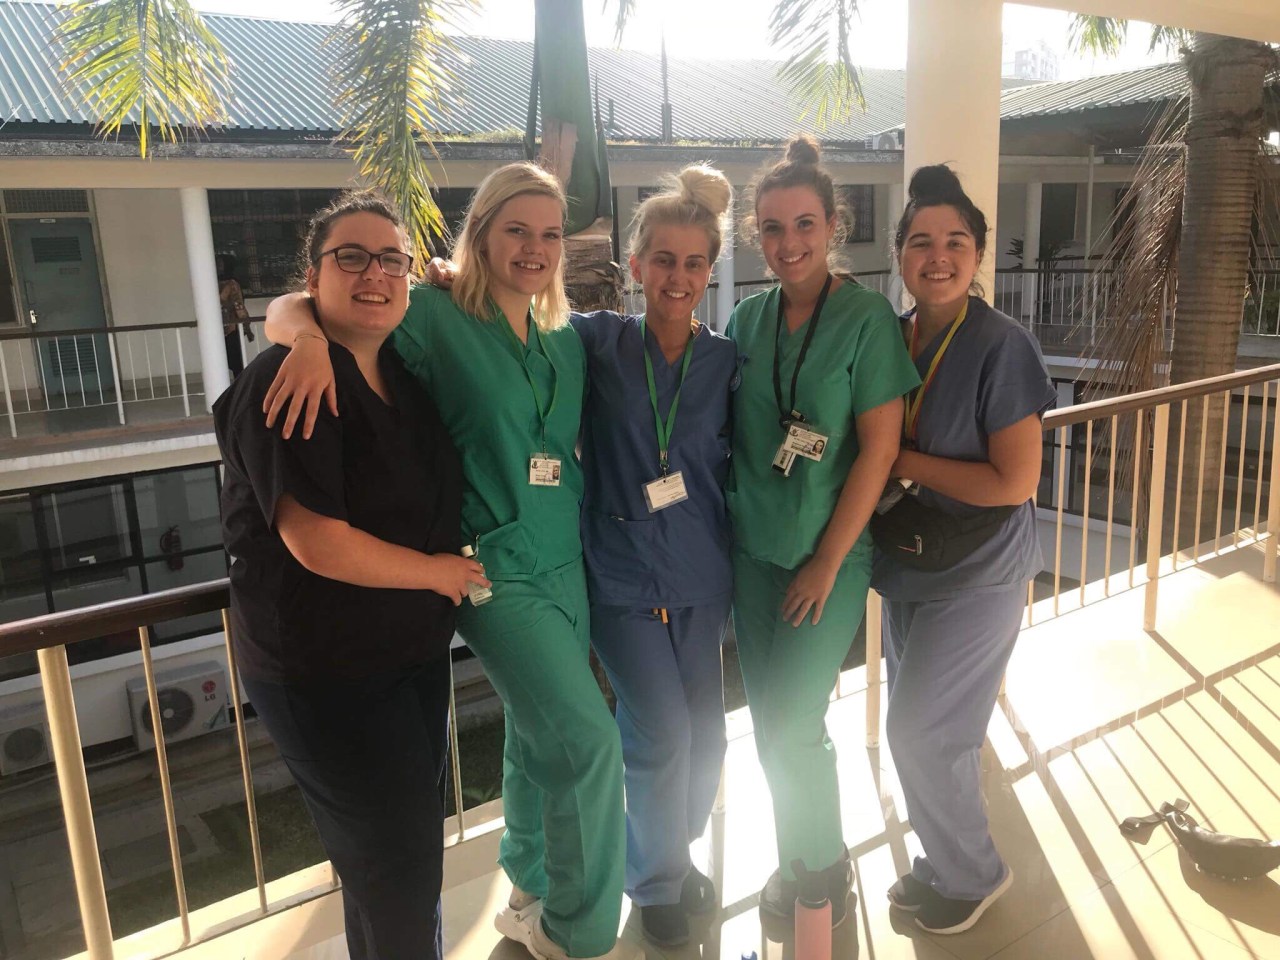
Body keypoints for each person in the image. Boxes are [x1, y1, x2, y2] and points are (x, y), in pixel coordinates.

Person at [259, 163, 632, 960]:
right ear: (482, 234)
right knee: (591, 743)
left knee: (535, 733)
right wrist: (305, 339)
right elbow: (307, 304)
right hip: (491, 570)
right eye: (516, 230)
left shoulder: (562, 337)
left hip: (564, 559)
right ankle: (580, 932)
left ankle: (528, 885)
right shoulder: (432, 314)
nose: (534, 248)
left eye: (549, 234)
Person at [213, 190, 488, 960]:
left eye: (392, 260)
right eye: (352, 257)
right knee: (400, 877)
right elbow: (316, 541)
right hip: (325, 672)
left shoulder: (401, 370)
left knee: (391, 871)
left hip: (408, 657)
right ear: (314, 276)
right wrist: (436, 572)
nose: (375, 274)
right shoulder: (289, 378)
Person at [725, 135, 919, 926]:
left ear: (833, 226)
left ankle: (824, 872)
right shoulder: (746, 318)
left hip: (827, 557)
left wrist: (827, 562)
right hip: (752, 553)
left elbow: (879, 449)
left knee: (796, 721)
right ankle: (796, 860)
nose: (789, 243)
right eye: (772, 228)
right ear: (756, 235)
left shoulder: (867, 319)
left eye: (804, 224)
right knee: (770, 725)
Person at [872, 164, 1056, 935]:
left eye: (954, 241)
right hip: (908, 562)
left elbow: (1015, 480)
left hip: (979, 574)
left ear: (977, 253)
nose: (937, 256)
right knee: (926, 731)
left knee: (921, 731)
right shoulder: (891, 335)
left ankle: (975, 874)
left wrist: (901, 461)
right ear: (899, 253)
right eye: (921, 241)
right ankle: (943, 860)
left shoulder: (1001, 345)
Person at [572, 165, 737, 946]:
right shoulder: (597, 342)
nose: (678, 277)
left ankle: (673, 851)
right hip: (620, 571)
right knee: (661, 731)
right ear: (635, 266)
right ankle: (654, 883)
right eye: (663, 260)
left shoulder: (726, 362)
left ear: (710, 271)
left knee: (707, 736)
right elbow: (506, 322)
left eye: (694, 262)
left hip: (701, 571)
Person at [217, 252, 252, 377]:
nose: (218, 267)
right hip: (219, 326)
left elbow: (238, 305)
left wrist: (245, 325)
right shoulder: (213, 282)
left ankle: (239, 383)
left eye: (220, 264)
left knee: (235, 360)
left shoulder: (231, 284)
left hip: (232, 326)